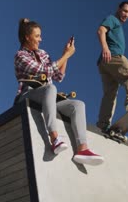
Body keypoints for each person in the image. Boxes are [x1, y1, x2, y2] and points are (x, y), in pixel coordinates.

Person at [14, 18, 104, 166]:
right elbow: (43, 71)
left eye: (40, 36)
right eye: (37, 36)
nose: (40, 39)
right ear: (27, 37)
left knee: (78, 104)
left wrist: (65, 55)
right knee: (50, 88)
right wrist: (66, 55)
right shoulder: (20, 56)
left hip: (47, 96)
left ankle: (82, 149)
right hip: (28, 95)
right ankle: (54, 138)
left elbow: (58, 76)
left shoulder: (43, 53)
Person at [96, 1, 128, 132]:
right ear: (119, 9)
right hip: (112, 56)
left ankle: (103, 124)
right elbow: (101, 30)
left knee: (110, 94)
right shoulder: (112, 19)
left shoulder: (118, 25)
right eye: (125, 11)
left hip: (104, 64)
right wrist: (105, 48)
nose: (126, 15)